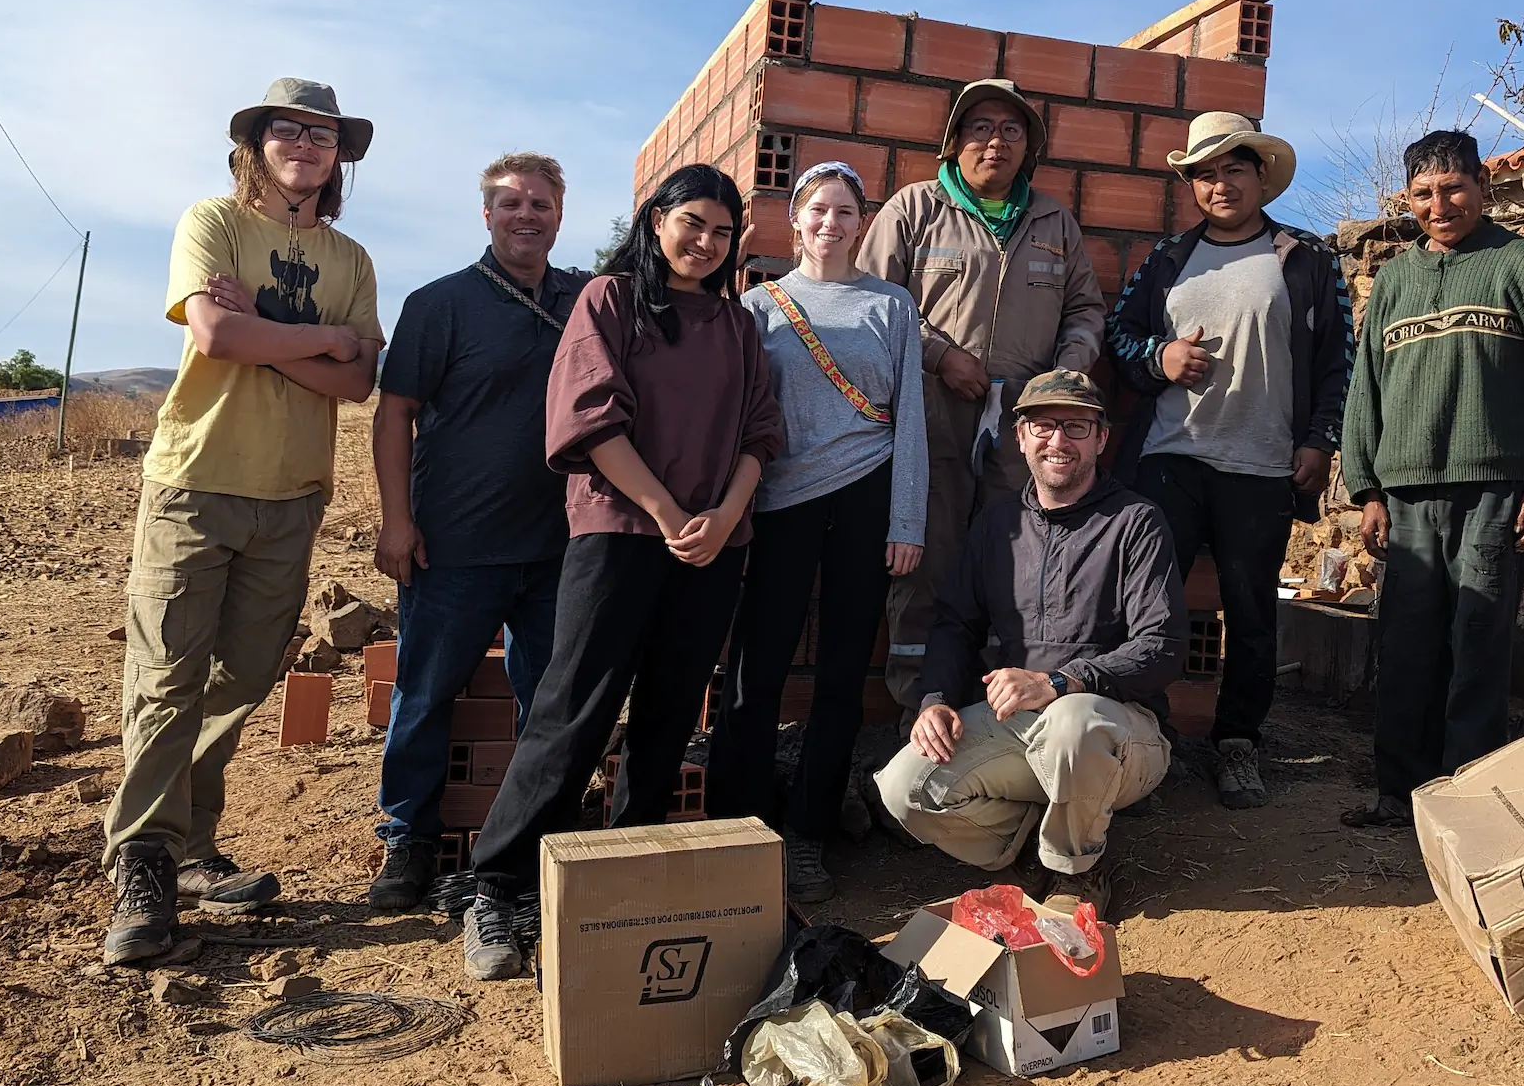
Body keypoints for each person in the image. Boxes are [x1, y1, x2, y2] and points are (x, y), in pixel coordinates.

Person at [462, 164, 785, 980]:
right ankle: (499, 884)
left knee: (671, 713)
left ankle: (627, 873)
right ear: (657, 218)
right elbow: (592, 420)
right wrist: (671, 515)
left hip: (713, 545)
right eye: (693, 223)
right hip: (620, 533)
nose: (706, 243)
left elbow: (760, 433)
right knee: (576, 706)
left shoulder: (736, 324)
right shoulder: (608, 300)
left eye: (722, 231)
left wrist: (724, 516)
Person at [103, 78, 384, 964]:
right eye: (289, 129)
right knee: (167, 673)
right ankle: (144, 861)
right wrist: (316, 337)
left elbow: (358, 382)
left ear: (339, 157)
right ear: (257, 143)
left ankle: (189, 846)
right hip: (196, 480)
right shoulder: (212, 224)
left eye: (324, 135)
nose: (306, 143)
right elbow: (216, 339)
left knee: (246, 673)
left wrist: (268, 325)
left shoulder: (353, 261)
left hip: (294, 493)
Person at [1337, 128, 1524, 829]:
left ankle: (1469, 801)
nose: (1439, 203)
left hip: (1495, 491)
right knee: (1407, 645)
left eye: (1452, 187)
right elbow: (1368, 391)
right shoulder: (1392, 282)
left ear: (1482, 184)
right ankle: (1401, 794)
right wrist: (1367, 488)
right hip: (1408, 495)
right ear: (1409, 198)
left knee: (1479, 641)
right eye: (1423, 192)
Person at [1107, 111, 1352, 810]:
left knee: (1250, 611)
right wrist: (1161, 355)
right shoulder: (1167, 260)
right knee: (1149, 604)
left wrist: (1319, 439)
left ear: (1259, 174)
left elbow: (1341, 359)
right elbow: (1119, 338)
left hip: (1261, 462)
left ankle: (1238, 743)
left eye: (1232, 169)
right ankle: (1143, 740)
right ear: (1191, 184)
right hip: (1169, 458)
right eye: (1205, 173)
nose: (1219, 184)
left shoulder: (1304, 257)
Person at [872, 370, 1184, 917]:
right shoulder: (997, 526)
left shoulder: (1136, 522)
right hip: (1022, 728)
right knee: (905, 788)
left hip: (1121, 731)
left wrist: (1059, 682)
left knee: (1073, 722)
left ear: (1101, 438)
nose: (1058, 442)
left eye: (1075, 427)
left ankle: (1077, 869)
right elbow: (954, 625)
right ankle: (1026, 855)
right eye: (1043, 427)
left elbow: (1161, 645)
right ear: (1019, 437)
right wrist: (935, 700)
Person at [366, 153, 586, 913]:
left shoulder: (588, 300)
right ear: (485, 213)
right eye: (511, 203)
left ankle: (530, 841)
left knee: (549, 701)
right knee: (424, 693)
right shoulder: (441, 304)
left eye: (541, 204)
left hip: (560, 548)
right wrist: (397, 520)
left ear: (561, 214)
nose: (527, 215)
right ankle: (409, 839)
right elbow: (394, 412)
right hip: (454, 544)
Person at [711, 161, 927, 903]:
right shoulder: (759, 306)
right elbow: (734, 413)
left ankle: (806, 831)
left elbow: (912, 423)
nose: (831, 223)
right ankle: (737, 819)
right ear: (793, 220)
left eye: (845, 211)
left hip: (867, 493)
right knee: (758, 663)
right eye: (818, 210)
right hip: (778, 497)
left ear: (862, 223)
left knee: (841, 671)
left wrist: (907, 519)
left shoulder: (892, 306)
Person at [857, 79, 1105, 710]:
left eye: (1012, 130)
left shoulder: (1054, 221)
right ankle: (918, 712)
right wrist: (941, 357)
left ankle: (998, 716)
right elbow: (874, 306)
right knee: (926, 562)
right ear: (954, 141)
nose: (996, 141)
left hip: (1023, 431)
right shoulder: (913, 210)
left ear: (1030, 146)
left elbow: (1084, 311)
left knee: (1014, 563)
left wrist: (1060, 386)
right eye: (981, 128)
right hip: (928, 420)